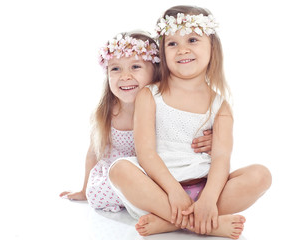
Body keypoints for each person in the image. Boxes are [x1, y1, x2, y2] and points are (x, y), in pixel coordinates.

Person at [108, 5, 272, 239]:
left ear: (212, 46)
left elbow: (221, 158)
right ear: (163, 52)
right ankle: (203, 224)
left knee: (261, 175)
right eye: (172, 43)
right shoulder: (150, 95)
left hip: (205, 188)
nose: (182, 50)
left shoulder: (220, 105)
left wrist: (209, 198)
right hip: (160, 192)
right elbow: (146, 153)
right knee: (120, 170)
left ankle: (173, 222)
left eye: (192, 40)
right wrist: (174, 191)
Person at [59, 31, 213, 212]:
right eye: (115, 69)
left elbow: (189, 134)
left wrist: (212, 140)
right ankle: (169, 211)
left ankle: (164, 209)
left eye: (135, 67)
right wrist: (84, 190)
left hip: (160, 175)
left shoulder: (167, 105)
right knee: (101, 190)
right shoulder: (107, 111)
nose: (125, 76)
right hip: (123, 175)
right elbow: (94, 153)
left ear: (155, 71)